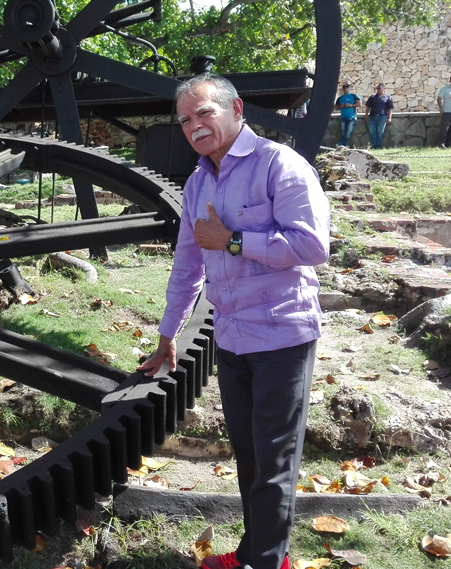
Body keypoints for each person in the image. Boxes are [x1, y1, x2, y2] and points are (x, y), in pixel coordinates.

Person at [138, 74, 329, 569]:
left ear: (235, 109)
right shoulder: (198, 182)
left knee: (274, 460)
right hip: (232, 339)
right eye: (184, 120)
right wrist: (167, 336)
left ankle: (265, 562)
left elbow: (312, 247)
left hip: (283, 334)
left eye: (203, 113)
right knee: (248, 453)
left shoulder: (279, 165)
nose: (194, 126)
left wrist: (234, 240)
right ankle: (258, 553)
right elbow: (187, 266)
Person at [364, 83, 394, 149]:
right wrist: (366, 115)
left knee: (380, 132)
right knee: (372, 131)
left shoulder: (388, 97)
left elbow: (390, 108)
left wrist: (389, 118)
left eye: (379, 88)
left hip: (382, 117)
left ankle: (378, 146)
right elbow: (368, 107)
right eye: (377, 88)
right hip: (372, 116)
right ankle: (375, 146)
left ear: (383, 89)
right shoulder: (372, 97)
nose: (377, 90)